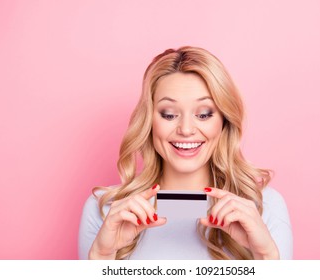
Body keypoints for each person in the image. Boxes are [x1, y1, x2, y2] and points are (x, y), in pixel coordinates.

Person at [78, 46, 293, 260]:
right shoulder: (105, 209)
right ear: (149, 122)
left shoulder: (264, 206)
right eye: (169, 115)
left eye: (204, 114)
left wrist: (266, 256)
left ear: (223, 122)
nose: (186, 130)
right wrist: (101, 256)